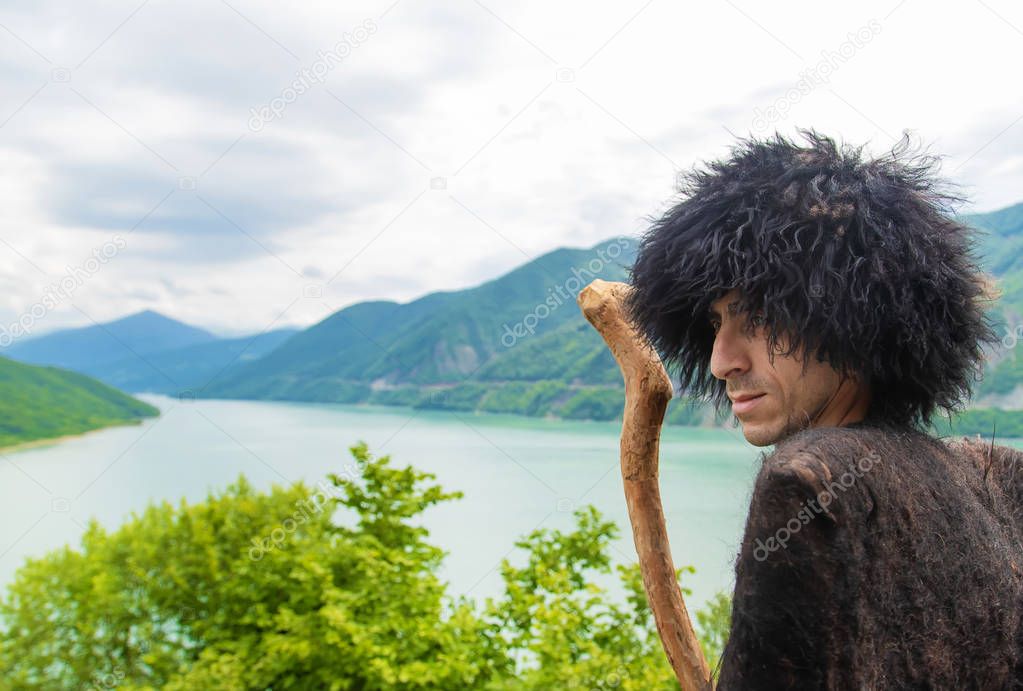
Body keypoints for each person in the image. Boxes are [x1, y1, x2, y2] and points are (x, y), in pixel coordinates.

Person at [625, 128, 1023, 688]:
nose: (720, 360)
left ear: (850, 317)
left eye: (756, 317)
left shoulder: (810, 481)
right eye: (717, 323)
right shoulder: (990, 475)